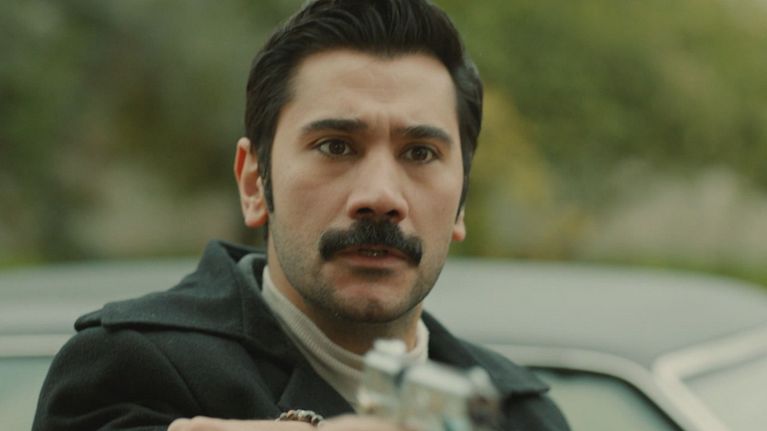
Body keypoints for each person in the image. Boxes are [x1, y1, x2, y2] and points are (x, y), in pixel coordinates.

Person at [33, 1, 569, 430]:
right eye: (336, 146)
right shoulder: (126, 374)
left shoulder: (523, 415)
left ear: (461, 201)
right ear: (254, 182)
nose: (381, 196)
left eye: (420, 153)